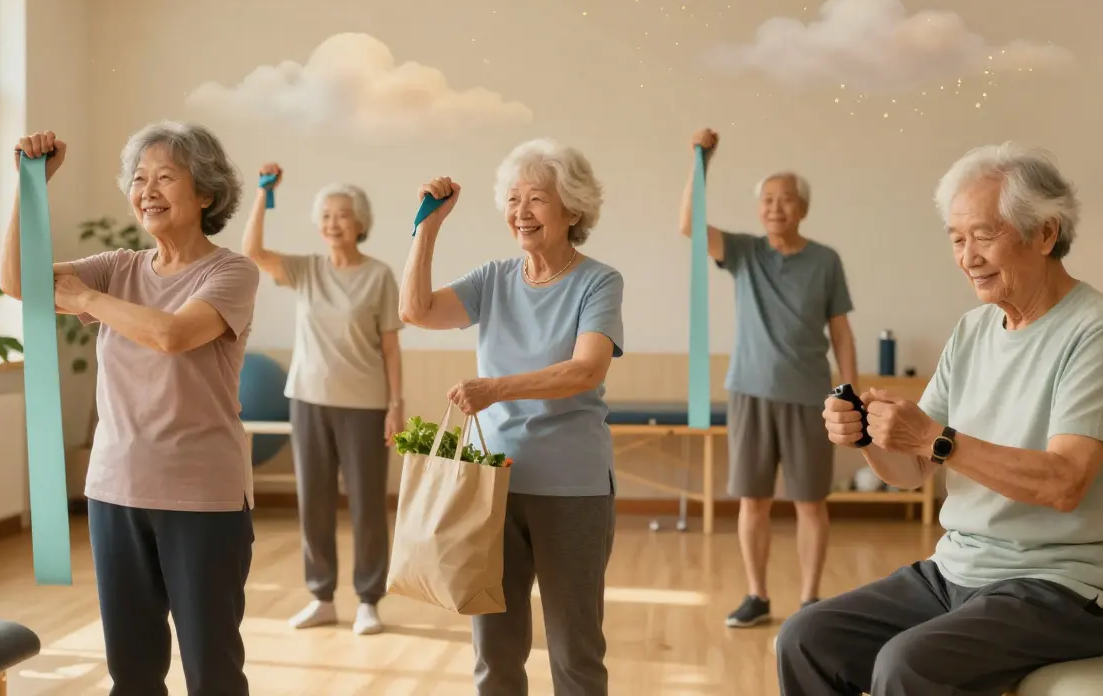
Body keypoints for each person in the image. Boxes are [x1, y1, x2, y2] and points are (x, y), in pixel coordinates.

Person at [776, 142, 1103, 696]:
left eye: (983, 235)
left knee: (909, 665)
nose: (967, 255)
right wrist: (870, 437)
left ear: (1045, 234)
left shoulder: (1098, 334)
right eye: (956, 238)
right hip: (958, 571)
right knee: (806, 637)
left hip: (1066, 586)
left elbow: (1064, 483)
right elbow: (911, 472)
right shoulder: (973, 331)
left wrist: (934, 438)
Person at [0, 124, 260, 695]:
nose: (148, 190)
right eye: (139, 179)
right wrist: (29, 187)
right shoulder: (121, 265)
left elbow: (172, 335)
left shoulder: (231, 272)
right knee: (132, 673)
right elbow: (19, 283)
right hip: (115, 490)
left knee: (212, 672)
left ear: (207, 194)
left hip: (201, 496)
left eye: (166, 177)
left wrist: (88, 299)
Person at [398, 138, 624, 696]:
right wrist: (427, 227)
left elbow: (585, 370)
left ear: (572, 210)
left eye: (537, 199)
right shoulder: (494, 278)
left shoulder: (598, 281)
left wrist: (496, 387)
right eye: (514, 198)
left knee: (575, 649)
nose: (521, 212)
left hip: (572, 487)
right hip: (492, 485)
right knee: (494, 650)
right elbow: (415, 310)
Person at [679, 128, 857, 627]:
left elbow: (841, 329)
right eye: (767, 200)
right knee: (753, 500)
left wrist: (849, 390)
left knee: (810, 502)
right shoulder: (744, 253)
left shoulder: (826, 261)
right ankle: (756, 596)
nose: (775, 207)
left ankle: (810, 600)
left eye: (785, 200)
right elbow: (690, 226)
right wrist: (701, 161)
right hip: (750, 392)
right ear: (760, 209)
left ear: (802, 208)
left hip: (809, 397)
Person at [240, 164, 404, 635]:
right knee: (313, 501)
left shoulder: (380, 276)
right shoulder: (306, 270)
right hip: (308, 399)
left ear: (361, 223)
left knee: (368, 505)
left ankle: (369, 599)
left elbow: (391, 346)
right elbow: (251, 252)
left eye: (344, 215)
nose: (334, 223)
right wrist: (262, 195)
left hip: (366, 403)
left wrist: (397, 404)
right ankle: (322, 596)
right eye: (327, 215)